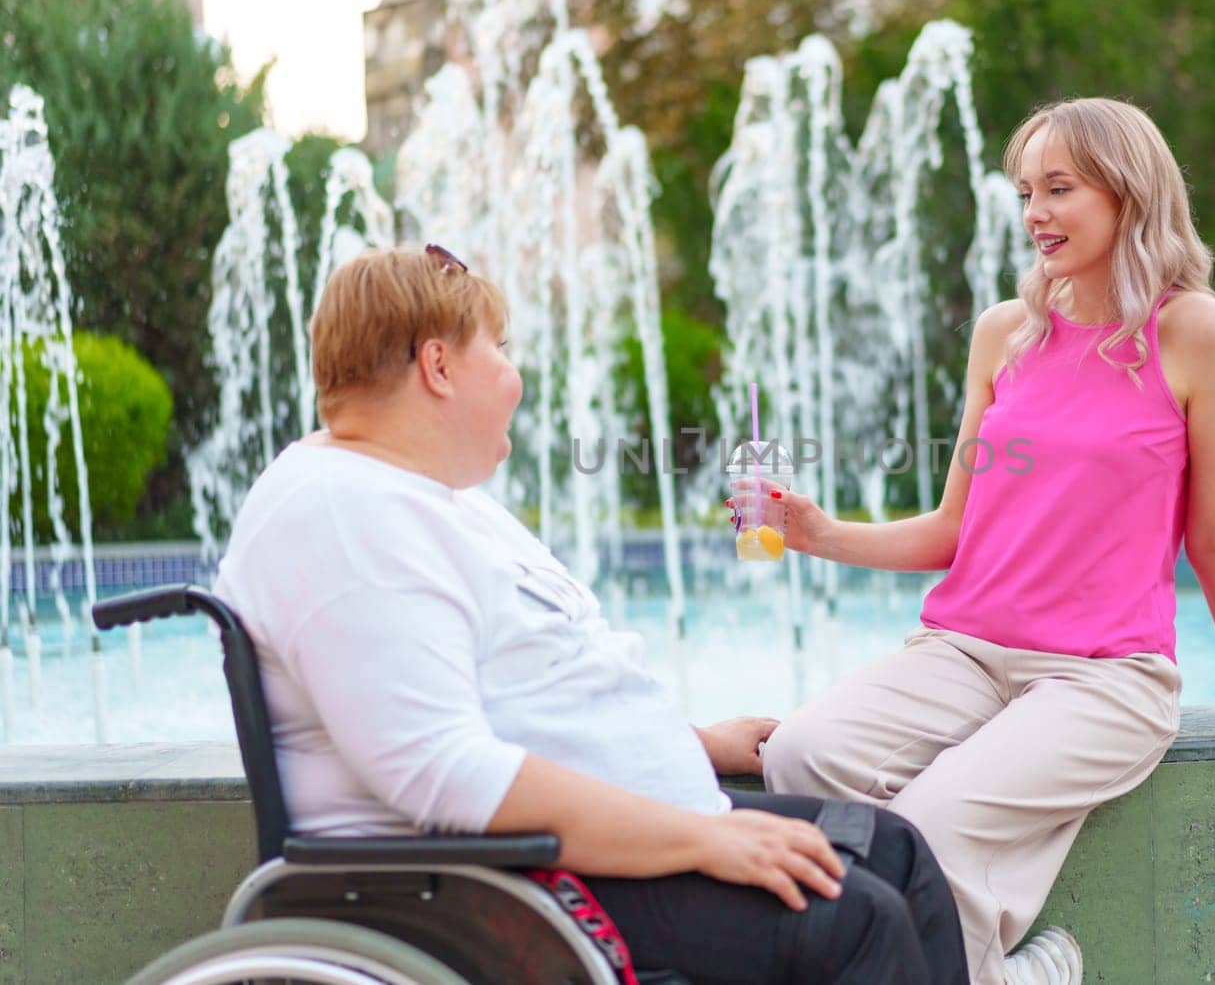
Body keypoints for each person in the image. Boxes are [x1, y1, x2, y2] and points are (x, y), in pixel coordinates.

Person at [744, 98, 1215, 985]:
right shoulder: (1007, 332)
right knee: (806, 752)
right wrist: (816, 532)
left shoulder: (1204, 335)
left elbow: (1212, 544)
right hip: (964, 650)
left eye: (1059, 188)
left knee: (931, 822)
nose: (1035, 212)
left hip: (1105, 675)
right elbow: (953, 531)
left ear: (1129, 194)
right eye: (1025, 192)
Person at [214, 245, 968, 985]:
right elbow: (444, 772)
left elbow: (534, 681)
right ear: (438, 367)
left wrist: (692, 743)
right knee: (855, 918)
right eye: (500, 350)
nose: (517, 377)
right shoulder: (346, 517)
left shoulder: (414, 493)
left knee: (897, 850)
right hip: (504, 880)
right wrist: (703, 838)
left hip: (600, 838)